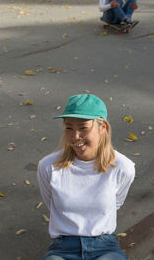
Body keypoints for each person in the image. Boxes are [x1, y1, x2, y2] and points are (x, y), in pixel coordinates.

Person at [37, 94, 135, 260]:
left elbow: (116, 203)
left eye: (83, 128)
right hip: (63, 249)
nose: (75, 136)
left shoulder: (122, 167)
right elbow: (51, 202)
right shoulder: (48, 166)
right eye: (69, 128)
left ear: (102, 127)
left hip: (105, 248)